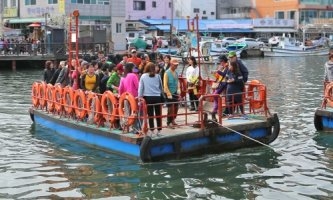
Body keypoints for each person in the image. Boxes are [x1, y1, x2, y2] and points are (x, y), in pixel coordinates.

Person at [138, 62, 163, 135]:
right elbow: (161, 87)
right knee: (158, 114)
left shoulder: (143, 76)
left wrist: (139, 97)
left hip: (148, 97)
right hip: (157, 97)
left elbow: (141, 88)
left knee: (150, 114)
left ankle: (152, 130)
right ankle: (159, 130)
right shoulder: (158, 76)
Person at [211, 55, 229, 120]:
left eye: (221, 61)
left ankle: (215, 110)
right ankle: (216, 110)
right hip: (220, 84)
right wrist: (214, 73)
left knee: (215, 95)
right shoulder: (222, 67)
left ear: (223, 61)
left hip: (224, 84)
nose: (220, 63)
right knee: (216, 96)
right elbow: (218, 76)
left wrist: (218, 71)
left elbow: (224, 75)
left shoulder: (227, 67)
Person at [163, 58, 180, 129]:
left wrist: (179, 89)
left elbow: (177, 82)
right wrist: (168, 93)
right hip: (169, 93)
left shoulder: (176, 73)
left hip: (175, 92)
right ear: (171, 64)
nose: (176, 66)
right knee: (170, 108)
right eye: (175, 65)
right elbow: (165, 85)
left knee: (176, 107)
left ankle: (173, 119)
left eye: (177, 65)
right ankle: (168, 122)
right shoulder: (166, 73)